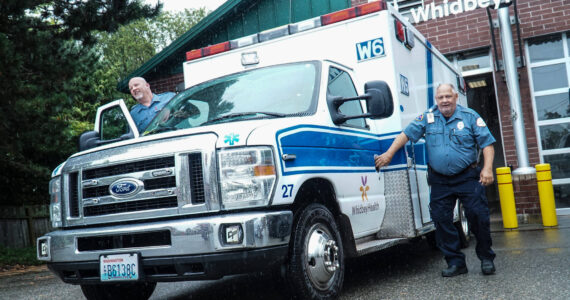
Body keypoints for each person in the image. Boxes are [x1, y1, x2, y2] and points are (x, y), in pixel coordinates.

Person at [374, 83, 496, 277]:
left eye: (448, 96)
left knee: (478, 217)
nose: (445, 100)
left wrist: (488, 168)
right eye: (441, 97)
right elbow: (406, 135)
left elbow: (487, 144)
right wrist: (388, 154)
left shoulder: (470, 117)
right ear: (436, 100)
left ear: (456, 97)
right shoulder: (428, 118)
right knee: (441, 220)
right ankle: (456, 263)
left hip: (467, 176)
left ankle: (486, 258)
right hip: (440, 180)